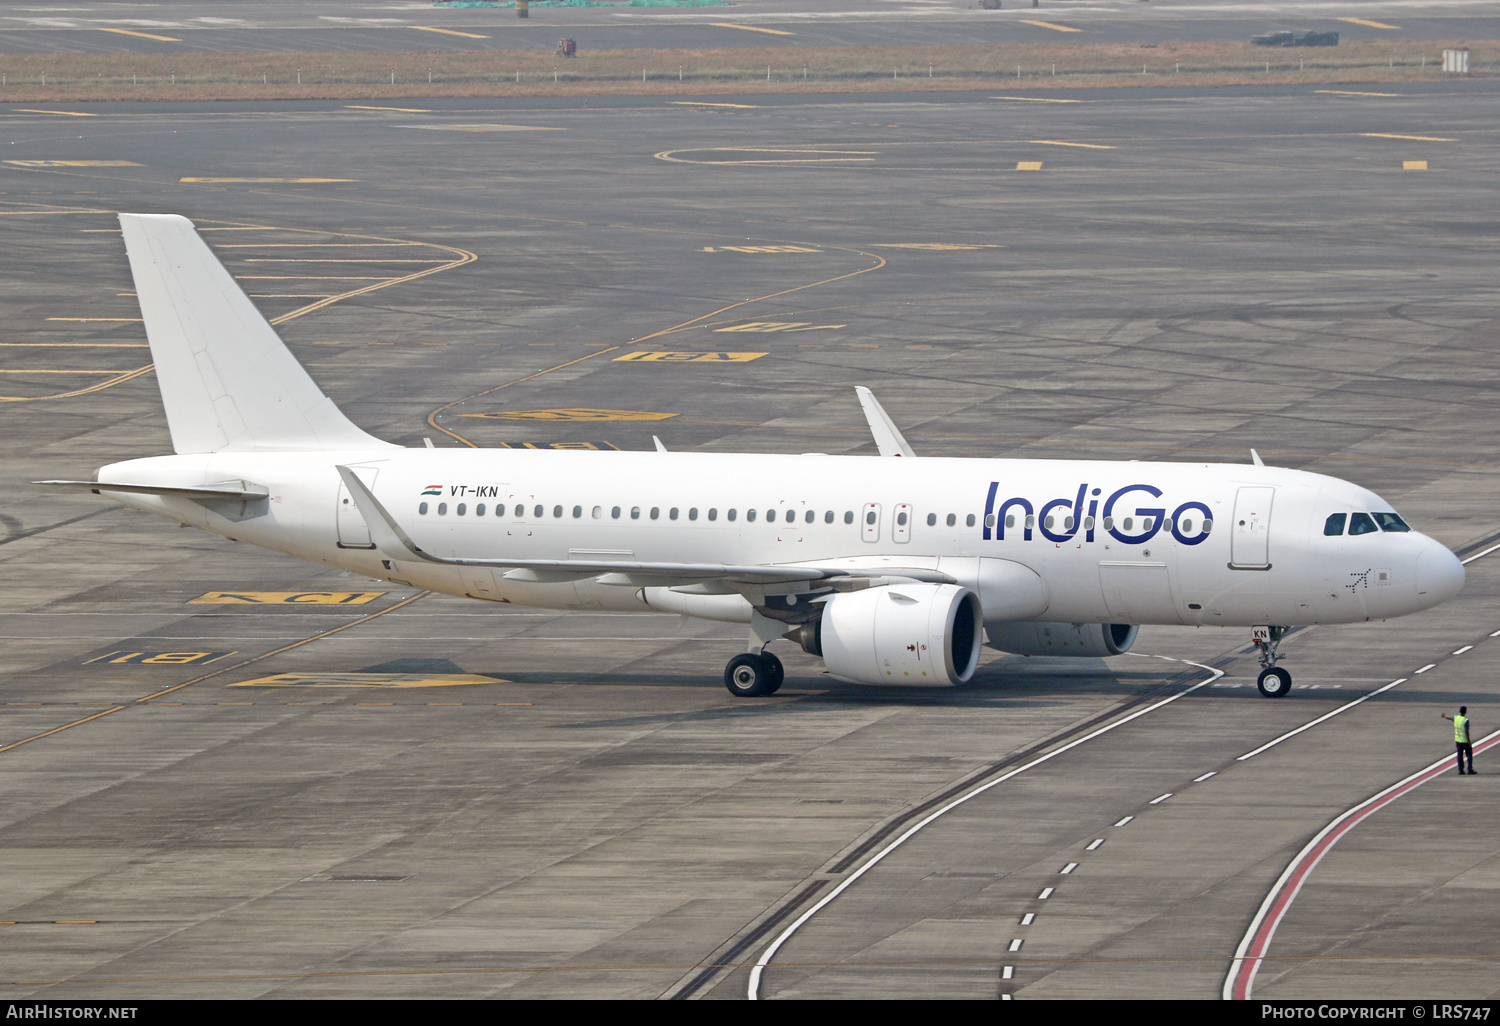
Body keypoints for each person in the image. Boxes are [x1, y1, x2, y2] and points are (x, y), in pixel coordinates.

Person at [1442, 706, 1474, 774]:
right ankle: (1470, 769)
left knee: (1460, 755)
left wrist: (1444, 716)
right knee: (1469, 754)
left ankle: (1461, 770)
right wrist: (1469, 742)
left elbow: (1450, 718)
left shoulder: (1456, 718)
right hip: (1464, 740)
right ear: (1465, 712)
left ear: (1460, 711)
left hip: (1458, 740)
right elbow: (1466, 732)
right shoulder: (1465, 720)